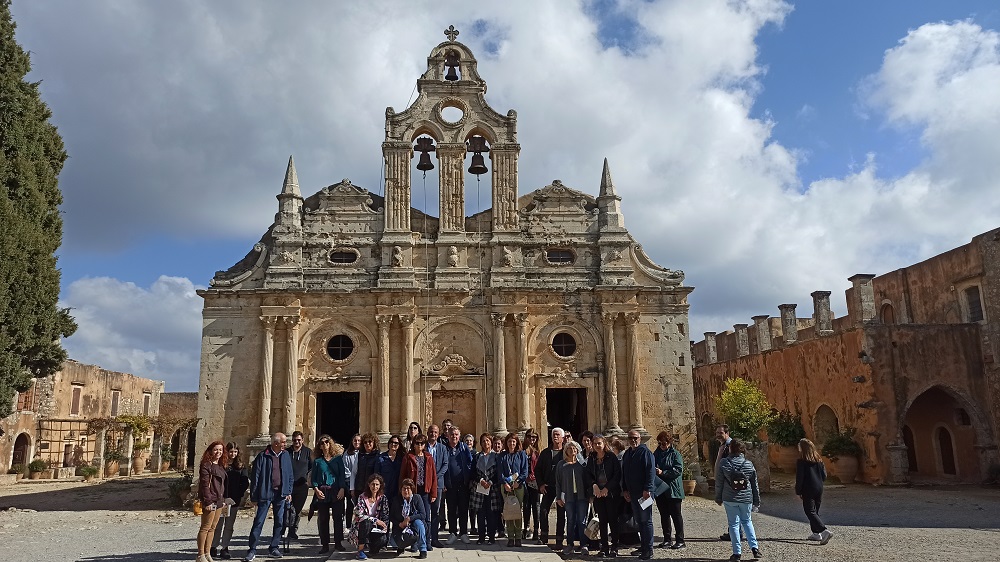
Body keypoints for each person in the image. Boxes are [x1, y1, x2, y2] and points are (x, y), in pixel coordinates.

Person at [245, 433, 293, 561]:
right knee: (259, 522)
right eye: (283, 442)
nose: (285, 444)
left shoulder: (286, 455)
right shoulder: (262, 456)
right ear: (276, 443)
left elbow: (289, 475)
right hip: (265, 493)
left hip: (281, 494)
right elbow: (255, 477)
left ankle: (274, 547)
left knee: (279, 522)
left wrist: (288, 491)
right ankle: (252, 549)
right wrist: (254, 496)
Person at [715, 439, 761, 561]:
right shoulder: (748, 464)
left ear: (730, 449)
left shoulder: (724, 463)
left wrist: (718, 497)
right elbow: (754, 484)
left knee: (734, 524)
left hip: (730, 498)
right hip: (746, 498)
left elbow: (719, 482)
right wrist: (757, 501)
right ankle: (754, 548)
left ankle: (737, 553)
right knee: (747, 521)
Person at [212, 442, 249, 560]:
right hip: (221, 500)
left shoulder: (241, 466)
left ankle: (225, 547)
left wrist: (237, 496)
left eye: (235, 451)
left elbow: (244, 483)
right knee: (218, 525)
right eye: (231, 451)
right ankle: (213, 546)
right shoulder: (221, 465)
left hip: (233, 500)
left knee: (229, 526)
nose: (233, 454)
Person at [400, 434, 438, 549]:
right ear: (414, 444)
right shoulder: (408, 457)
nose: (419, 445)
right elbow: (402, 476)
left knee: (426, 517)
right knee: (412, 516)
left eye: (422, 443)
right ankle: (414, 543)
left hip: (425, 491)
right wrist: (403, 491)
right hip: (413, 492)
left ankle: (427, 542)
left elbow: (433, 477)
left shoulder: (428, 457)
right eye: (417, 443)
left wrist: (434, 493)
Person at [621, 430, 655, 561]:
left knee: (646, 520)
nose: (633, 440)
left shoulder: (646, 453)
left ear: (640, 438)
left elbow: (650, 472)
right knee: (639, 521)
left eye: (635, 438)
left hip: (644, 493)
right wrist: (625, 489)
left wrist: (648, 489)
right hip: (633, 494)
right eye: (630, 438)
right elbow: (625, 473)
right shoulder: (628, 454)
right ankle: (644, 546)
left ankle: (649, 549)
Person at [586, 434, 621, 558]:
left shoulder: (611, 457)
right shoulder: (591, 457)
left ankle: (615, 547)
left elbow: (617, 475)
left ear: (604, 443)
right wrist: (594, 486)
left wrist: (607, 488)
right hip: (598, 494)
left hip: (611, 494)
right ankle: (604, 547)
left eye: (599, 443)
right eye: (595, 443)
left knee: (613, 521)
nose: (597, 446)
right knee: (602, 522)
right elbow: (588, 474)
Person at [555, 439, 590, 556]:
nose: (572, 450)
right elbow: (558, 482)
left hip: (581, 496)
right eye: (569, 448)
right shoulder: (561, 465)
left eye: (574, 448)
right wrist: (558, 497)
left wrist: (589, 496)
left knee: (581, 521)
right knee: (570, 521)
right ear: (566, 451)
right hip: (568, 496)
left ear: (577, 450)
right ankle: (570, 544)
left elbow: (587, 480)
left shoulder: (582, 464)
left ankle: (583, 544)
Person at [312, 435, 346, 554]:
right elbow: (314, 478)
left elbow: (342, 475)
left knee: (337, 518)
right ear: (319, 447)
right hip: (323, 491)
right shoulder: (317, 462)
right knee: (323, 519)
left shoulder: (338, 459)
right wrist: (316, 489)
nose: (325, 444)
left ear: (330, 444)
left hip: (336, 490)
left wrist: (342, 488)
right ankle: (325, 544)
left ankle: (338, 543)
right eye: (322, 443)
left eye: (327, 442)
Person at [795, 438, 832, 544]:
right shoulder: (819, 461)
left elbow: (800, 478)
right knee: (815, 511)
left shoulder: (801, 462)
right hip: (819, 487)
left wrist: (798, 491)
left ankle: (824, 531)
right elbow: (824, 476)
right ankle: (816, 533)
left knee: (809, 511)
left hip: (808, 488)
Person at [535, 427, 567, 549]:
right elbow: (537, 470)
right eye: (553, 434)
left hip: (561, 488)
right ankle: (543, 536)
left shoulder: (566, 452)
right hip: (548, 486)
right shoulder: (545, 453)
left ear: (562, 438)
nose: (555, 436)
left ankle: (559, 539)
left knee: (561, 514)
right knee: (543, 511)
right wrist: (541, 484)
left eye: (558, 434)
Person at [653, 431, 685, 549]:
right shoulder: (656, 453)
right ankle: (667, 539)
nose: (662, 445)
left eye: (664, 443)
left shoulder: (675, 454)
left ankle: (680, 540)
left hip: (673, 489)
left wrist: (663, 472)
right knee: (664, 515)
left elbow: (678, 470)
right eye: (660, 443)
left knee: (676, 515)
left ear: (669, 442)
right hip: (661, 489)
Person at [197, 441, 228, 562]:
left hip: (219, 500)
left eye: (220, 450)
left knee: (213, 528)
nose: (218, 452)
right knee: (205, 527)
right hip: (211, 500)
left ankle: (207, 552)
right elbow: (205, 485)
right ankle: (200, 555)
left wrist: (224, 499)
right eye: (216, 450)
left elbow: (223, 484)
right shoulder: (206, 465)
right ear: (210, 451)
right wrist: (208, 501)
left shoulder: (220, 465)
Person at [349, 474, 391, 560]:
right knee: (366, 522)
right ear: (369, 484)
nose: (374, 487)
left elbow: (385, 516)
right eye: (372, 484)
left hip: (375, 528)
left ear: (380, 486)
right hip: (361, 527)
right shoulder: (362, 497)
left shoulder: (383, 498)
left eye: (377, 484)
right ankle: (360, 551)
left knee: (382, 539)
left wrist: (383, 528)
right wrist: (375, 520)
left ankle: (373, 549)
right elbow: (359, 515)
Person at [497, 432, 528, 547]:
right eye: (509, 441)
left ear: (517, 443)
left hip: (518, 487)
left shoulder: (521, 454)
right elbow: (499, 472)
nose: (511, 443)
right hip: (506, 487)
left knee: (517, 511)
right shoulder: (502, 456)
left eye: (513, 441)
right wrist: (505, 483)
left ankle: (518, 537)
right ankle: (510, 537)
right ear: (506, 443)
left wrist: (518, 482)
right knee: (509, 511)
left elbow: (524, 471)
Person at [443, 426, 472, 545]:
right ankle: (453, 532)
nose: (454, 436)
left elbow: (470, 462)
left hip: (463, 484)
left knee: (463, 508)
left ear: (459, 436)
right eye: (452, 434)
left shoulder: (464, 447)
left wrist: (469, 479)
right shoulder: (444, 448)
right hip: (450, 484)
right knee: (451, 509)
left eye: (456, 434)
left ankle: (463, 532)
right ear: (448, 436)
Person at [470, 433, 500, 544]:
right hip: (480, 489)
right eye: (483, 441)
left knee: (491, 513)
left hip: (492, 489)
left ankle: (491, 537)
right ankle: (481, 537)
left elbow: (498, 472)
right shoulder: (477, 456)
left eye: (487, 440)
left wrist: (490, 482)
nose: (485, 443)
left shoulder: (496, 456)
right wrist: (481, 480)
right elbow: (473, 472)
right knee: (480, 513)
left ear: (491, 442)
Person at [391, 478, 429, 559]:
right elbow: (391, 516)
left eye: (408, 489)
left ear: (412, 490)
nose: (406, 491)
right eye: (404, 489)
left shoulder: (417, 498)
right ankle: (401, 547)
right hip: (401, 525)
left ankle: (423, 549)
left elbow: (423, 515)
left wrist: (409, 518)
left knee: (419, 523)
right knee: (396, 542)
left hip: (413, 525)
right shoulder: (396, 500)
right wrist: (399, 524)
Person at [425, 424, 449, 549]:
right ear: (427, 433)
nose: (433, 434)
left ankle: (434, 538)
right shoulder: (423, 447)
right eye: (431, 432)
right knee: (424, 512)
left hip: (438, 484)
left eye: (435, 432)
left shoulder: (442, 448)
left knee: (436, 512)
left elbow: (445, 464)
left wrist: (436, 477)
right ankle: (425, 539)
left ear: (438, 434)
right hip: (424, 484)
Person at [287, 431, 312, 541]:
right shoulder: (287, 452)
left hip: (302, 486)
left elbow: (312, 468)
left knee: (297, 510)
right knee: (286, 509)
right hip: (288, 486)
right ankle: (283, 530)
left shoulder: (308, 452)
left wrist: (309, 480)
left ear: (302, 440)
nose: (296, 442)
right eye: (294, 440)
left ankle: (293, 531)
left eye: (298, 440)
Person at [715, 424, 737, 542]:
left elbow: (731, 466)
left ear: (727, 433)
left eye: (721, 433)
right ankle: (733, 531)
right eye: (717, 433)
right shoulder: (724, 445)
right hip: (726, 482)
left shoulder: (730, 446)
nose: (718, 435)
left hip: (729, 483)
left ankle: (734, 533)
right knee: (731, 509)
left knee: (732, 508)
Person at [521, 428, 541, 541]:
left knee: (536, 505)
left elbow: (540, 467)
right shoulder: (522, 450)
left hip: (535, 481)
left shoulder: (539, 451)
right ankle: (526, 528)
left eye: (534, 437)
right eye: (529, 436)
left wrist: (534, 476)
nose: (531, 439)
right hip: (524, 481)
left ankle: (536, 530)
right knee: (526, 505)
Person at [354, 433, 381, 504]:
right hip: (359, 488)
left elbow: (377, 474)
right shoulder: (359, 456)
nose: (367, 444)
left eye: (370, 442)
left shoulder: (378, 456)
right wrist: (352, 488)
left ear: (374, 443)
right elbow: (354, 472)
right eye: (365, 442)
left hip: (372, 489)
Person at [377, 434, 404, 503]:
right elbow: (377, 475)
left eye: (396, 443)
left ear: (399, 445)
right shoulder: (381, 458)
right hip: (384, 491)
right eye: (391, 442)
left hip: (397, 492)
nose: (393, 444)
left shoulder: (401, 459)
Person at [343, 434, 362, 530]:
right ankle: (348, 525)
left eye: (359, 440)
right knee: (350, 505)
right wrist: (352, 480)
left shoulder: (363, 453)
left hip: (361, 483)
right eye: (355, 440)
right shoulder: (347, 453)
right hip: (349, 482)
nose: (357, 442)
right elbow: (345, 468)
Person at [463, 433, 479, 536]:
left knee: (473, 507)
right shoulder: (462, 453)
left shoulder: (476, 454)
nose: (469, 442)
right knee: (464, 506)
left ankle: (473, 527)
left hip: (473, 482)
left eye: (470, 440)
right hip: (464, 482)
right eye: (467, 440)